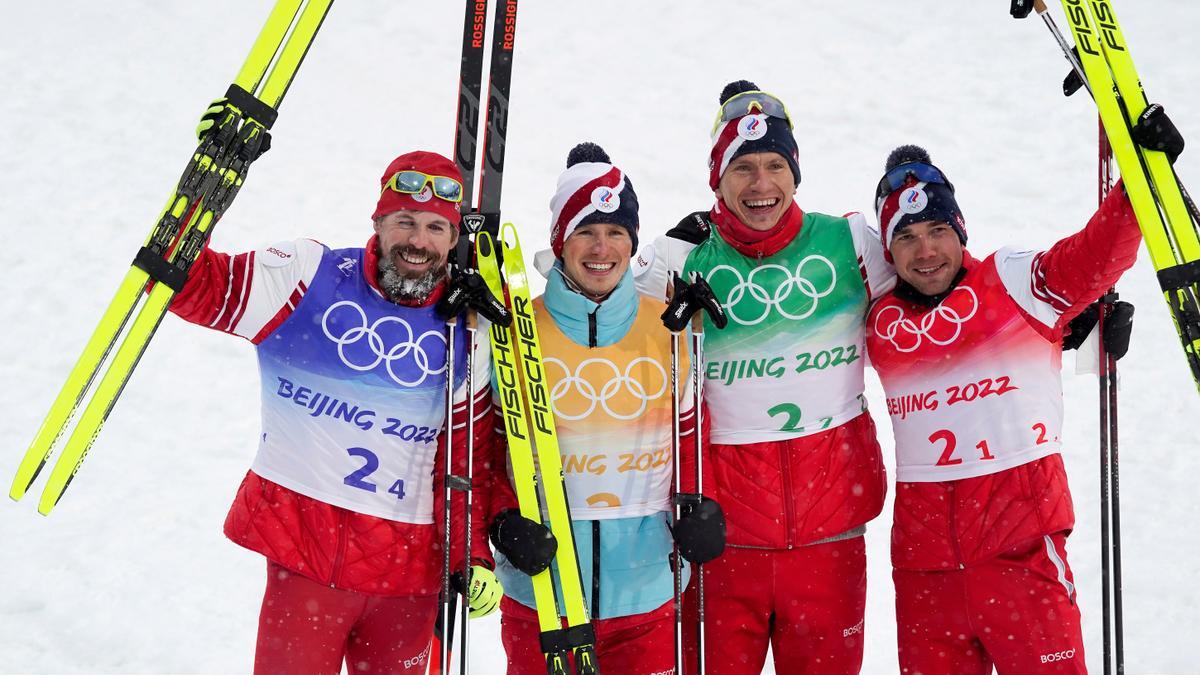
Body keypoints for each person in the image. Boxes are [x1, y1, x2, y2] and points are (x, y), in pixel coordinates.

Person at [167, 148, 502, 674]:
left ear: (454, 239)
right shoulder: (309, 278)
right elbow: (191, 284)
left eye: (437, 228)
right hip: (305, 560)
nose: (419, 241)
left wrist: (472, 553)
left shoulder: (469, 328)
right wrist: (208, 173)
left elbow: (472, 460)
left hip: (408, 577)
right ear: (378, 221)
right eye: (405, 222)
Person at [864, 140, 1158, 673]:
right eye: (905, 238)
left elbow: (1094, 256)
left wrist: (1135, 182)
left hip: (1022, 554)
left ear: (960, 231)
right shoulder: (876, 319)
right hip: (925, 575)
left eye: (937, 231)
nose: (924, 250)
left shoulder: (1013, 284)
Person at [636, 80, 896, 674]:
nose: (762, 185)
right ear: (717, 180)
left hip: (830, 537)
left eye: (776, 165)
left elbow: (942, 291)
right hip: (721, 541)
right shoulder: (682, 257)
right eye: (743, 167)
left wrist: (1067, 317)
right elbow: (597, 318)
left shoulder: (849, 242)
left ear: (795, 172)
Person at [488, 143, 723, 673]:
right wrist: (502, 520)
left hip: (648, 596)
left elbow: (695, 440)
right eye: (585, 230)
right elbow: (487, 447)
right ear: (560, 240)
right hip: (541, 598)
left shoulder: (670, 329)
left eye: (616, 232)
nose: (602, 247)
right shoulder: (515, 331)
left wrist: (706, 507)